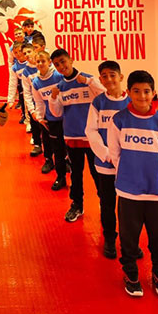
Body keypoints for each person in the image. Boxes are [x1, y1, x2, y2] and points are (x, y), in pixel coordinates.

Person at [108, 70, 158, 298]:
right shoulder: (119, 120)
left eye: (146, 91)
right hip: (128, 192)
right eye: (136, 91)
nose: (142, 96)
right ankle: (131, 275)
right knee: (128, 240)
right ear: (128, 92)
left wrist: (157, 174)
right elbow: (115, 153)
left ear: (154, 92)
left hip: (157, 193)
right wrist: (129, 172)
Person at [49, 48, 105, 222]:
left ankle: (105, 204)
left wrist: (89, 82)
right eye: (57, 64)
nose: (61, 66)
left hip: (92, 138)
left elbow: (105, 96)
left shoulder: (88, 80)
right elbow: (57, 113)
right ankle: (77, 205)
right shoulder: (60, 87)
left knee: (98, 173)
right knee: (76, 174)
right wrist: (53, 98)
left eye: (63, 61)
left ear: (71, 60)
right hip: (72, 138)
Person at [85, 61, 130, 258]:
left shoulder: (132, 102)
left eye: (113, 75)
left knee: (129, 207)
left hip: (128, 166)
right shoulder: (98, 103)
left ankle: (129, 243)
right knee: (107, 204)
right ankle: (110, 239)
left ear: (121, 77)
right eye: (104, 76)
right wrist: (106, 154)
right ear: (100, 80)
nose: (109, 79)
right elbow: (91, 131)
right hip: (105, 166)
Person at [31, 51, 67, 190]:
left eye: (43, 61)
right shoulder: (36, 82)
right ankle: (61, 177)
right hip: (52, 119)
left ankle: (68, 164)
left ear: (49, 62)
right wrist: (40, 118)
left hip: (67, 118)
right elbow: (39, 102)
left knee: (68, 147)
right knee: (57, 150)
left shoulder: (59, 76)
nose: (40, 64)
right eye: (38, 61)